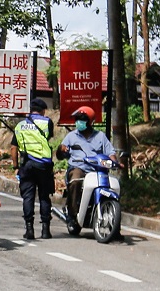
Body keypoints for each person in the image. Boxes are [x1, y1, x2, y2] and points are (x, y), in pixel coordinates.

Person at [58, 106, 117, 234]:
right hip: (78, 167)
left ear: (91, 122)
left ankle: (114, 221)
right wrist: (61, 149)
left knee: (111, 185)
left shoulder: (100, 136)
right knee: (75, 181)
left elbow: (110, 152)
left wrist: (115, 161)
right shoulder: (71, 136)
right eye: (77, 119)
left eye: (82, 120)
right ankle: (73, 216)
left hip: (97, 170)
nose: (79, 122)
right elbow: (61, 152)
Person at [10, 97, 56, 239]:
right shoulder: (47, 122)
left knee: (28, 197)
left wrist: (16, 166)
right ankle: (45, 230)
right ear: (42, 111)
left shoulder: (20, 126)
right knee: (44, 196)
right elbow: (47, 139)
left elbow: (13, 148)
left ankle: (29, 230)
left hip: (27, 165)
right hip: (44, 165)